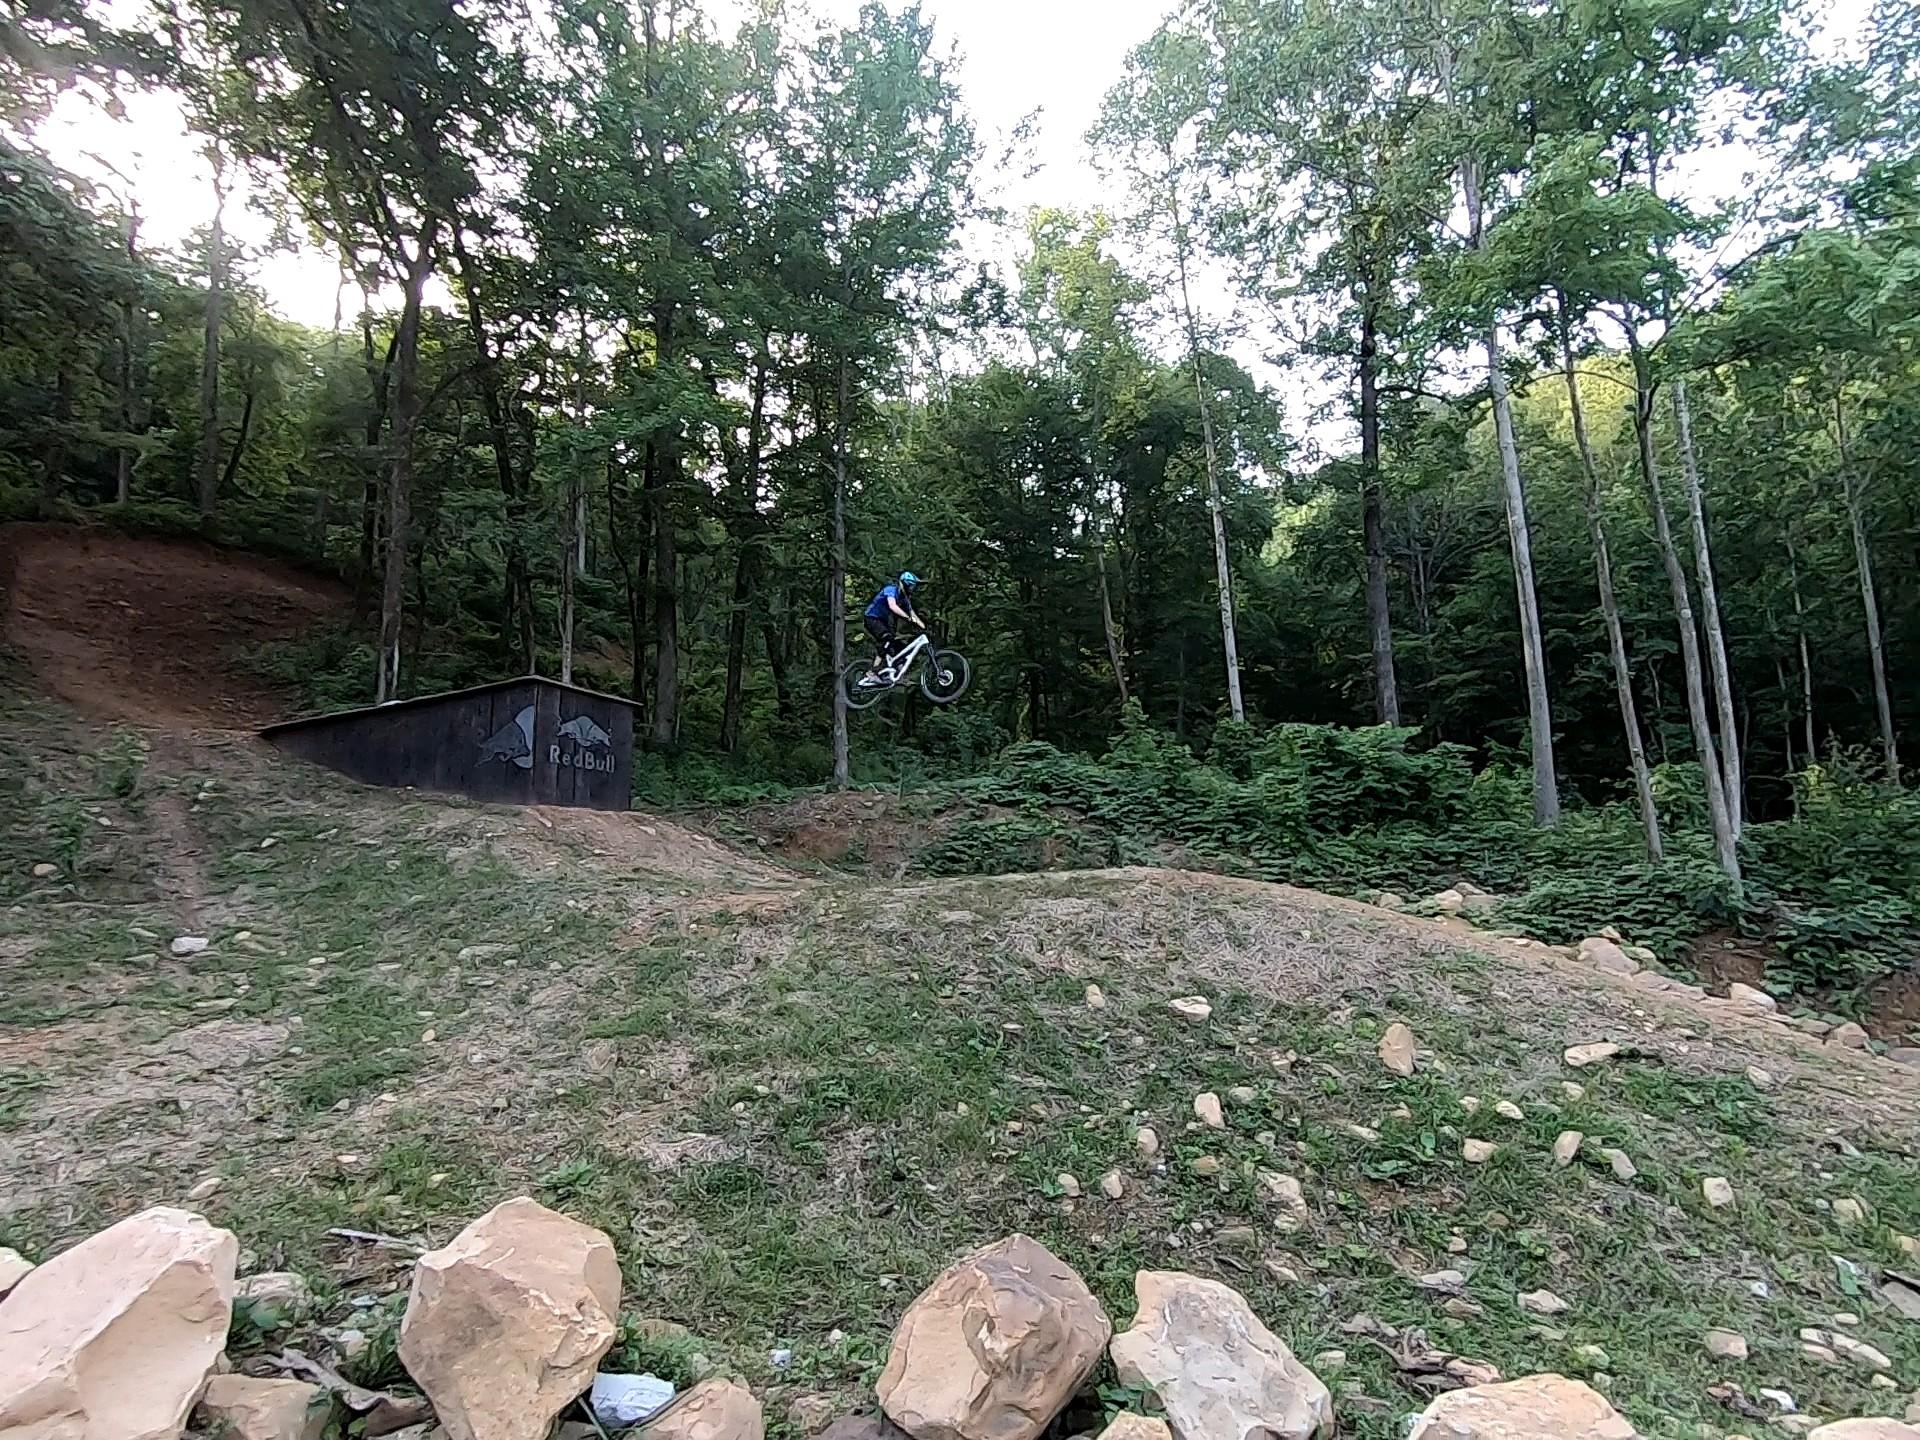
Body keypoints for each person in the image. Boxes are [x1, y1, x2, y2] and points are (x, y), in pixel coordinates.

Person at [861, 571, 925, 683]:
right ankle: (872, 672)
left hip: (882, 621)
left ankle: (896, 673)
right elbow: (893, 606)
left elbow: (913, 614)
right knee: (886, 638)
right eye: (911, 585)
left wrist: (923, 627)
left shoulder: (904, 598)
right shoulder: (891, 589)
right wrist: (908, 618)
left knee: (898, 645)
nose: (912, 588)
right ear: (904, 584)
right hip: (871, 618)